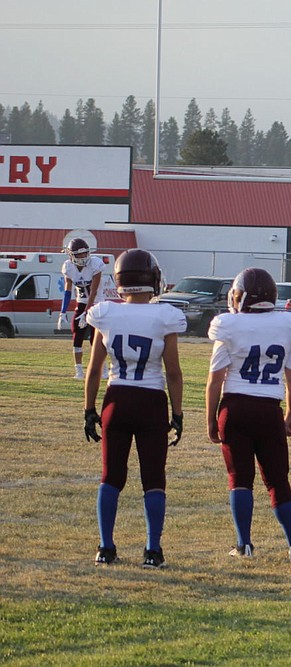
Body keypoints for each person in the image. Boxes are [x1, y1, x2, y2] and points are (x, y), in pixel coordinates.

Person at [205, 268, 291, 560]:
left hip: (235, 409)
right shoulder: (288, 325)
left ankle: (243, 545)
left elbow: (215, 379)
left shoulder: (229, 325)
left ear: (242, 297)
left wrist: (210, 419)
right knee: (278, 480)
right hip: (269, 410)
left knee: (239, 478)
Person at [82, 249, 184, 567]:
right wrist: (177, 414)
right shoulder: (164, 316)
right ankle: (152, 550)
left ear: (119, 280)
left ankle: (105, 547)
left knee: (111, 476)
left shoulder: (105, 314)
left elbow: (95, 369)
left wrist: (89, 409)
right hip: (151, 401)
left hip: (117, 399)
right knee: (153, 477)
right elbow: (173, 373)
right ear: (152, 279)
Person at [61, 237, 106, 379]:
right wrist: (62, 311)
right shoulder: (68, 267)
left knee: (96, 338)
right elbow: (67, 290)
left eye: (85, 253)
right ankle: (79, 371)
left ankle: (103, 369)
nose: (83, 256)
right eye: (79, 254)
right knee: (77, 336)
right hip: (81, 303)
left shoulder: (95, 264)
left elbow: (93, 291)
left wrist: (87, 312)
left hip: (96, 303)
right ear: (71, 255)